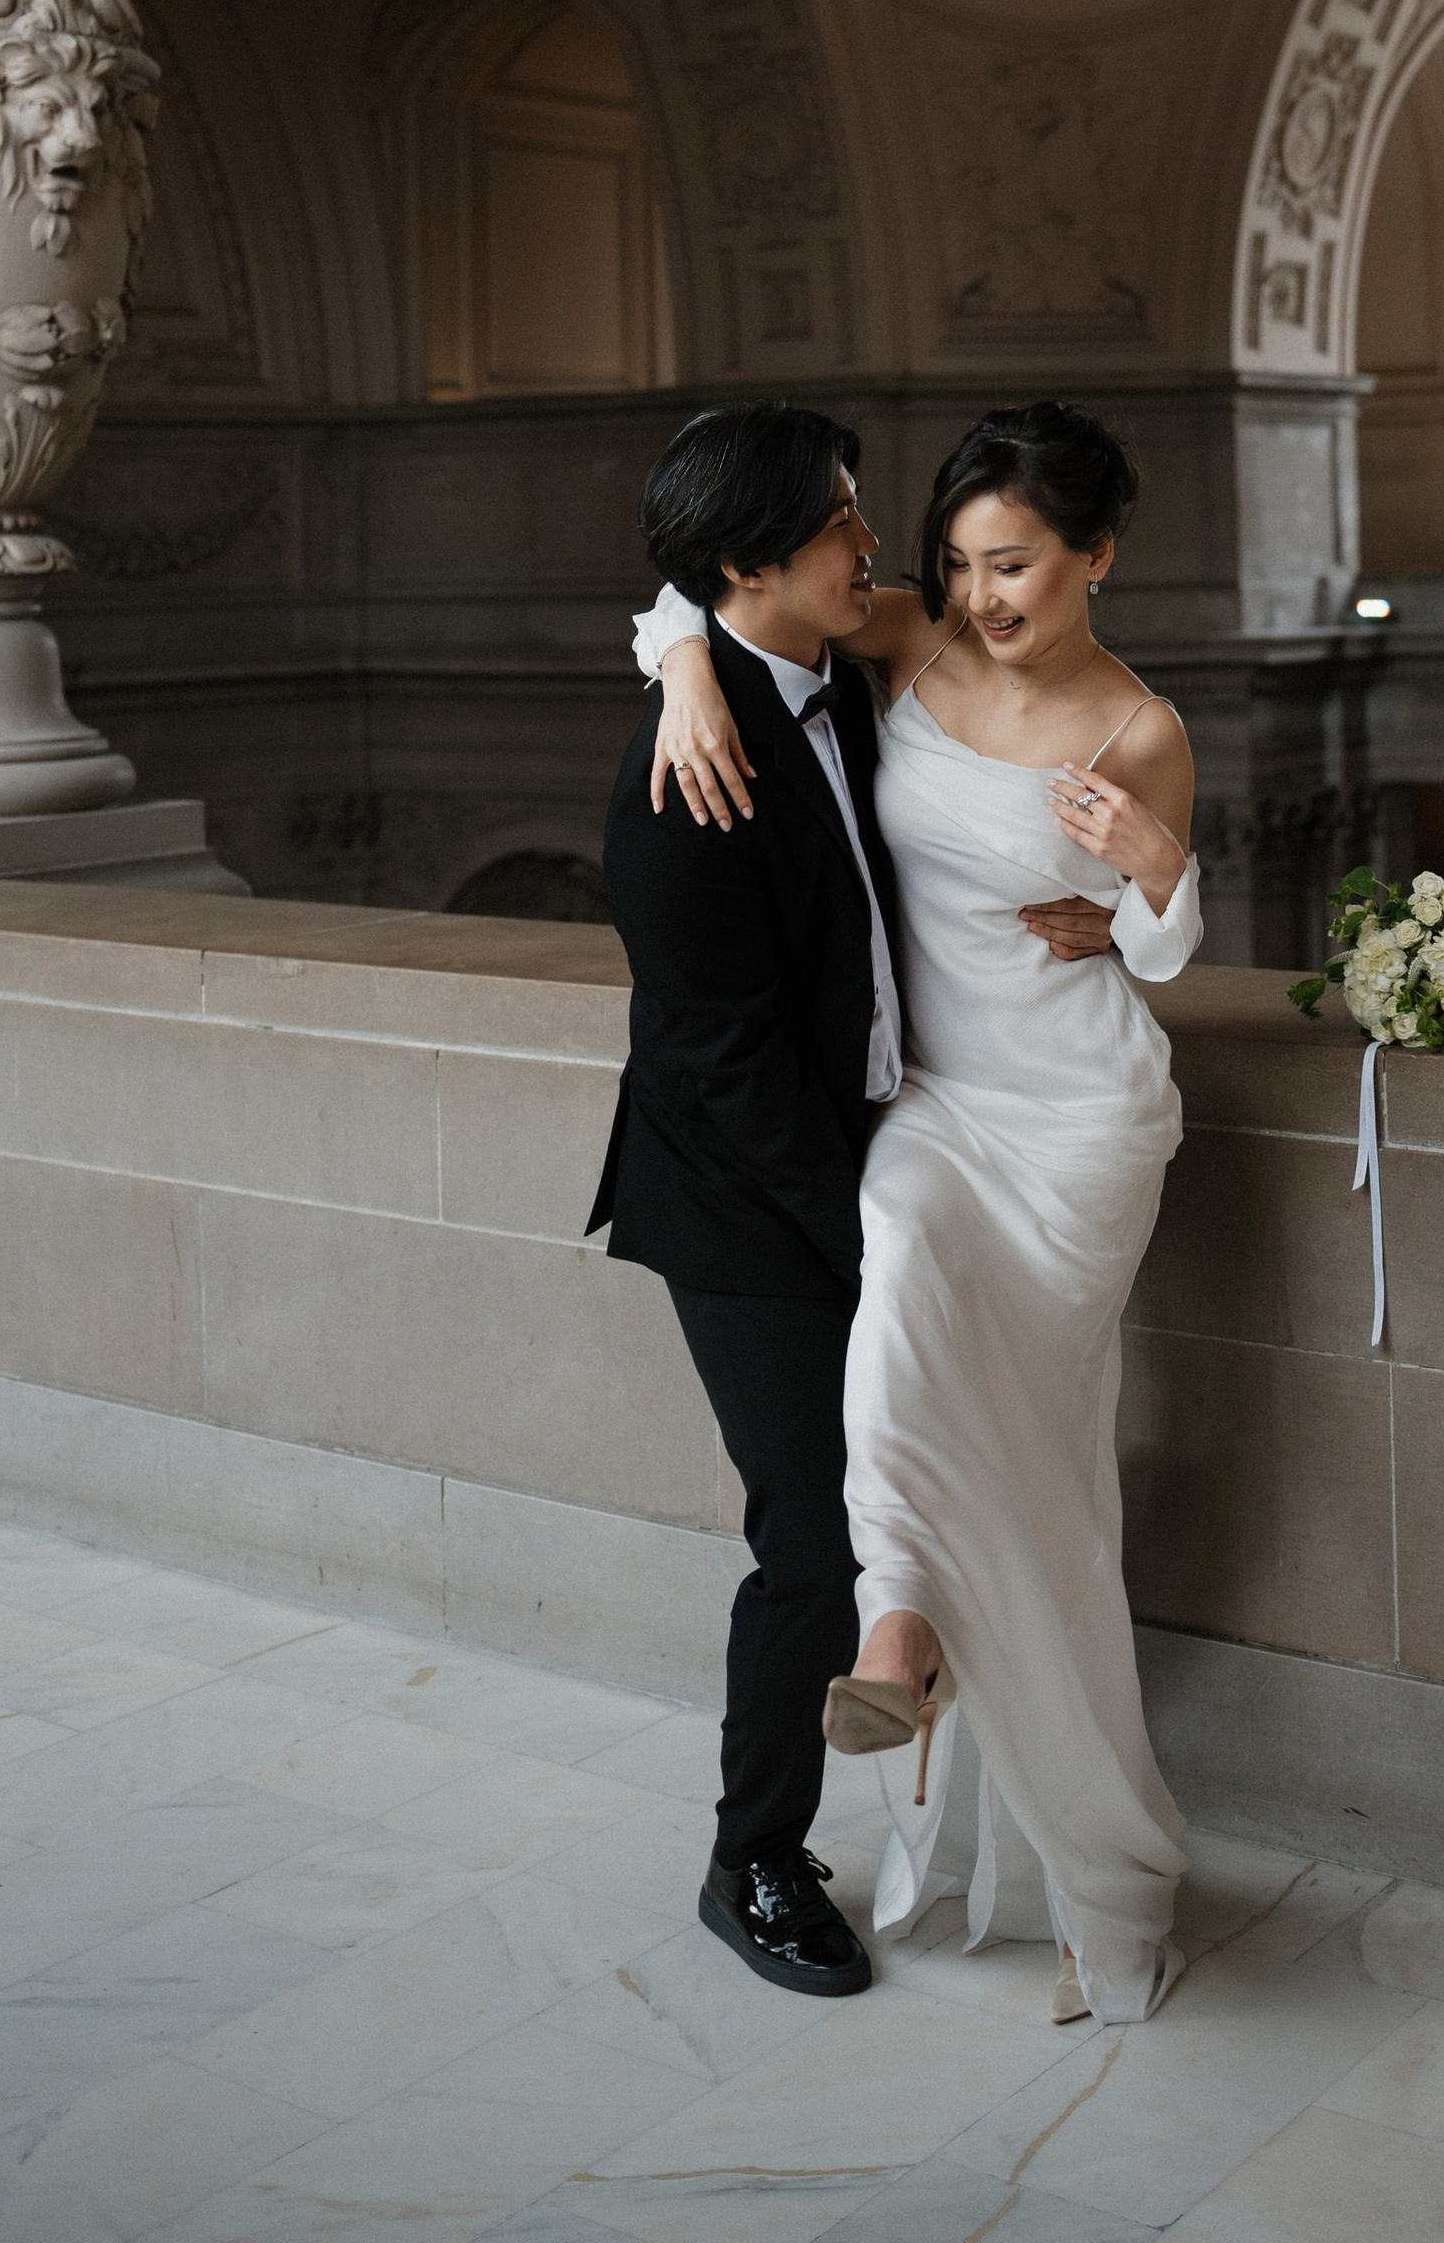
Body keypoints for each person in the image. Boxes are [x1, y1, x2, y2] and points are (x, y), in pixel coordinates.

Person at [641, 397, 1200, 2027]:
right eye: (956, 564)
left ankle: (1086, 1858)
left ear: (1096, 555)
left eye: (1014, 564)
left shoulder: (1139, 721)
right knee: (891, 1293)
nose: (979, 598)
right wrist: (682, 670)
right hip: (936, 1105)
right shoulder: (905, 643)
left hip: (1083, 1121)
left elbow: (1162, 949)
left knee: (1035, 1476)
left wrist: (1151, 864)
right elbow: (713, 591)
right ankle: (895, 1627)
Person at [585, 404, 910, 2001]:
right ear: (750, 563)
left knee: (896, 1505)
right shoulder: (676, 792)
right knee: (815, 1538)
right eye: (844, 521)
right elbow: (722, 1072)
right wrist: (875, 1244)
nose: (873, 544)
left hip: (860, 1162)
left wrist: (682, 646)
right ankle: (753, 1859)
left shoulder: (823, 669)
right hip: (744, 1202)